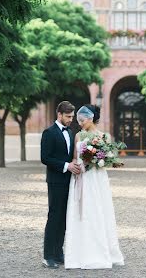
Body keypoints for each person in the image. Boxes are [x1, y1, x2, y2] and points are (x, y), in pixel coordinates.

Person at [63, 104, 124, 270]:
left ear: (90, 118)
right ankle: (80, 253)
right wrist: (76, 166)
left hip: (97, 179)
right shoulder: (78, 136)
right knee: (82, 213)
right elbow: (75, 158)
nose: (80, 123)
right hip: (82, 177)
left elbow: (108, 158)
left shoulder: (103, 136)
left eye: (82, 120)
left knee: (98, 210)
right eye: (78, 121)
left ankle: (101, 250)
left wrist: (98, 159)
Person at [40, 101, 81, 269]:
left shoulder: (71, 132)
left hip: (69, 181)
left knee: (64, 218)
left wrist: (76, 164)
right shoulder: (48, 133)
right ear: (59, 115)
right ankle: (48, 256)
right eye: (68, 116)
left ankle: (58, 253)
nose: (71, 120)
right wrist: (66, 166)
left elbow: (71, 155)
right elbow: (45, 158)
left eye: (72, 116)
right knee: (54, 217)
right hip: (56, 181)